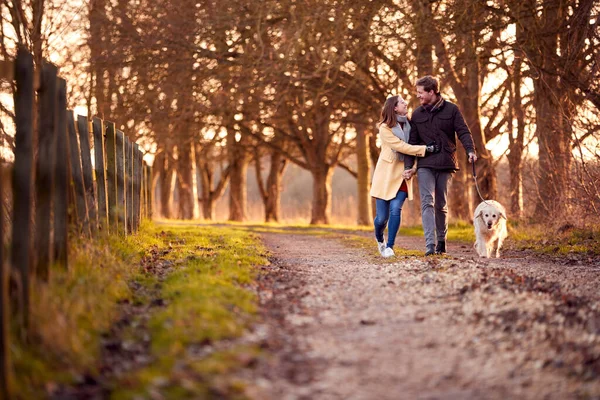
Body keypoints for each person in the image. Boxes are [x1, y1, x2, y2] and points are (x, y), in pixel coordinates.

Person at [404, 75, 478, 256]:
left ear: (432, 91)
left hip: (446, 162)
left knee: (441, 205)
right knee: (427, 202)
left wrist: (470, 150)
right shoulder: (417, 114)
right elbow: (412, 142)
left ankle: (441, 241)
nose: (419, 96)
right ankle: (430, 244)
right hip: (425, 164)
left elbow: (463, 131)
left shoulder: (452, 110)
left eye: (421, 92)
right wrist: (409, 166)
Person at [370, 95, 440, 258]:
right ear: (394, 108)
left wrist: (413, 167)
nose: (405, 103)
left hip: (403, 174)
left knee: (396, 209)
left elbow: (413, 143)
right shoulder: (384, 128)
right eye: (402, 102)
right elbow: (401, 146)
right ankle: (379, 239)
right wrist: (426, 149)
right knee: (381, 219)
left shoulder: (411, 125)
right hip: (385, 176)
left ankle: (390, 246)